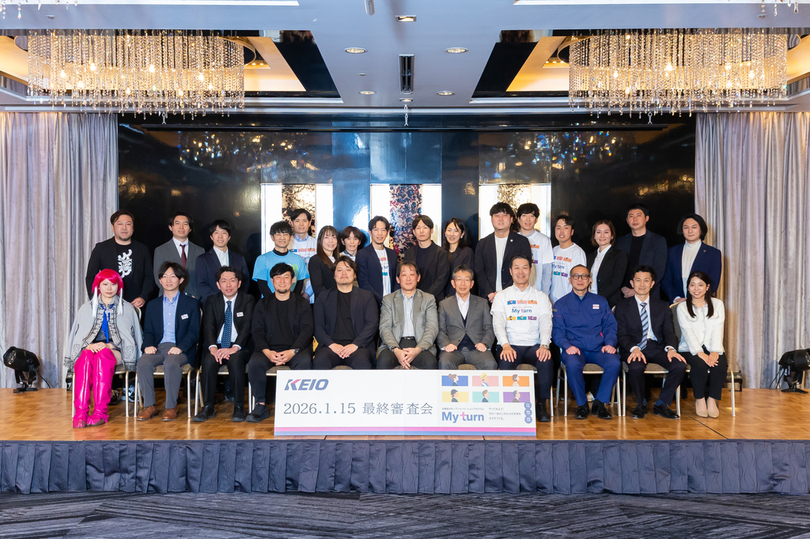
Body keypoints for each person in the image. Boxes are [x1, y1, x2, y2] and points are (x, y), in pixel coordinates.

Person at [64, 269, 143, 428]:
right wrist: (88, 345)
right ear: (98, 286)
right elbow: (78, 335)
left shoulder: (127, 308)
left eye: (113, 284)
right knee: (85, 357)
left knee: (103, 355)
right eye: (105, 284)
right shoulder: (86, 308)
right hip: (91, 349)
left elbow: (131, 337)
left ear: (119, 286)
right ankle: (81, 413)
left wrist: (108, 345)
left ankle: (100, 412)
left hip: (115, 350)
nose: (109, 288)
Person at [245, 263, 314, 423]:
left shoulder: (302, 303)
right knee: (255, 363)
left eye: (286, 277)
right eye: (278, 277)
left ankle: (298, 405)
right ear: (272, 281)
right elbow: (257, 330)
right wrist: (267, 352)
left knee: (304, 361)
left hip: (295, 349)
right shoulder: (263, 303)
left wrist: (292, 351)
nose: (282, 281)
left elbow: (307, 330)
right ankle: (260, 405)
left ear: (293, 280)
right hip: (269, 349)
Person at [615, 266, 686, 419]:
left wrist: (671, 349)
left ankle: (661, 404)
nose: (642, 284)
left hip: (657, 347)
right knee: (636, 367)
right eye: (638, 280)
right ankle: (640, 404)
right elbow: (621, 334)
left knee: (679, 365)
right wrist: (633, 348)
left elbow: (669, 332)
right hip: (633, 347)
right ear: (632, 283)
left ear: (652, 283)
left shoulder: (662, 305)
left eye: (646, 280)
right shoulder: (622, 306)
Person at [490, 254, 554, 422]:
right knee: (506, 360)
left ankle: (541, 405)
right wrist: (505, 345)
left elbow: (546, 323)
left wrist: (544, 345)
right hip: (510, 345)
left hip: (534, 345)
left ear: (530, 270)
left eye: (525, 268)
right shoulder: (502, 296)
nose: (521, 272)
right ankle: (511, 407)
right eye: (516, 268)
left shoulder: (541, 296)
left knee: (546, 360)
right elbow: (498, 324)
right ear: (510, 271)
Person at [552, 265, 621, 420]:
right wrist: (567, 346)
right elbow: (557, 332)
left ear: (590, 280)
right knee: (572, 364)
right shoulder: (561, 304)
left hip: (598, 349)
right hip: (575, 349)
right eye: (576, 276)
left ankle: (600, 403)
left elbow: (610, 326)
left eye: (584, 276)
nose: (580, 279)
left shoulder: (601, 301)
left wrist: (610, 343)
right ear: (570, 280)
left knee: (614, 362)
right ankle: (582, 404)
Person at [136, 262, 200, 421]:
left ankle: (171, 407)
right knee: (143, 362)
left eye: (173, 276)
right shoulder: (153, 305)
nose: (169, 280)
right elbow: (148, 331)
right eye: (164, 276)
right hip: (159, 347)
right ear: (160, 280)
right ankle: (149, 406)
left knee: (171, 363)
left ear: (181, 280)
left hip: (182, 348)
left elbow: (194, 331)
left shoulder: (191, 303)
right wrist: (148, 346)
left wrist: (181, 347)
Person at [193, 266, 256, 423]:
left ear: (239, 283)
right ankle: (208, 407)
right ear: (218, 284)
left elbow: (247, 327)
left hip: (240, 346)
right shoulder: (212, 300)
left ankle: (239, 408)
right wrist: (213, 347)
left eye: (232, 280)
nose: (228, 285)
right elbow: (208, 326)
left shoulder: (248, 300)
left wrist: (235, 347)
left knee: (235, 361)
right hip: (218, 345)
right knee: (208, 361)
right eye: (224, 281)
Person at [313, 257, 379, 369]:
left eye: (348, 270)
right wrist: (332, 345)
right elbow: (317, 326)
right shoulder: (323, 297)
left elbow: (372, 324)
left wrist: (355, 345)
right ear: (334, 276)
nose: (343, 273)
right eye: (339, 270)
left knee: (362, 362)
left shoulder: (367, 296)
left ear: (354, 275)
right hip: (331, 346)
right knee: (321, 360)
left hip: (359, 346)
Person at [677, 271, 727, 418]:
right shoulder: (682, 307)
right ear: (688, 287)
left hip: (712, 346)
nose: (696, 288)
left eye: (700, 285)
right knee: (699, 365)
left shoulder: (718, 304)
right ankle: (699, 400)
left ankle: (712, 400)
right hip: (690, 348)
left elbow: (718, 328)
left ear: (707, 287)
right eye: (692, 285)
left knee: (720, 364)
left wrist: (715, 351)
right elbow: (687, 332)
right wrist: (700, 353)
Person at [85, 210, 155, 308]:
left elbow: (149, 277)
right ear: (112, 227)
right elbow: (91, 277)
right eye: (120, 224)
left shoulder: (142, 250)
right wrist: (97, 300)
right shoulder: (101, 249)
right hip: (108, 304)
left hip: (135, 304)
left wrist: (143, 297)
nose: (124, 228)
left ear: (133, 227)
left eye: (128, 224)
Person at [377, 261, 439, 369]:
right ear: (398, 279)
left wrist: (417, 350)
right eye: (404, 275)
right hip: (395, 344)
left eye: (412, 274)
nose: (408, 278)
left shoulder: (428, 299)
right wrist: (396, 350)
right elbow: (384, 328)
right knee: (384, 361)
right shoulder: (388, 300)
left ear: (418, 277)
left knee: (430, 362)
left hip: (420, 344)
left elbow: (432, 328)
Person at [437, 265, 497, 370]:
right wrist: (446, 344)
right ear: (453, 283)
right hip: (453, 349)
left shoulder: (482, 303)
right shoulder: (444, 304)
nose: (463, 284)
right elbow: (441, 330)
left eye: (467, 280)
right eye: (459, 279)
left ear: (472, 284)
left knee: (490, 363)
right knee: (445, 362)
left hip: (477, 349)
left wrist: (484, 343)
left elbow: (489, 328)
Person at [475, 203, 532, 303]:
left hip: (515, 297)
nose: (500, 219)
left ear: (511, 219)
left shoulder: (522, 242)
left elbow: (524, 269)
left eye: (505, 215)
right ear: (491, 219)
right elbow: (479, 271)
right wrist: (489, 293)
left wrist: (504, 294)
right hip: (489, 298)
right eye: (497, 216)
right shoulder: (483, 243)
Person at [662, 214, 722, 303]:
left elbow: (713, 282)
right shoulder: (672, 252)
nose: (690, 231)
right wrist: (676, 298)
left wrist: (695, 299)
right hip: (677, 302)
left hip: (701, 303)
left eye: (694, 227)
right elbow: (666, 279)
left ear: (701, 229)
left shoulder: (713, 253)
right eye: (686, 227)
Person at [616, 203, 668, 299]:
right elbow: (617, 268)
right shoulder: (620, 242)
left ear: (646, 218)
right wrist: (622, 287)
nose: (635, 219)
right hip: (625, 293)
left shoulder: (658, 241)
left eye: (638, 215)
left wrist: (637, 290)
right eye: (631, 216)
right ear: (627, 220)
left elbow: (659, 270)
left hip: (649, 294)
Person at [195, 220, 250, 304]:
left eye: (224, 233)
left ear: (229, 237)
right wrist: (220, 300)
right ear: (211, 237)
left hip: (236, 305)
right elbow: (201, 285)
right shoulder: (202, 259)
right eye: (216, 233)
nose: (220, 236)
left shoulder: (239, 259)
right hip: (212, 305)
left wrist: (236, 299)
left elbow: (245, 282)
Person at [153, 212, 204, 300]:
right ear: (170, 227)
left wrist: (195, 296)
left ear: (190, 228)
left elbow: (202, 278)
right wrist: (173, 296)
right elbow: (158, 277)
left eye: (185, 224)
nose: (181, 227)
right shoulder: (160, 250)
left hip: (194, 298)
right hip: (169, 299)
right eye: (177, 223)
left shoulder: (200, 251)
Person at [253, 220, 308, 298]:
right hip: (269, 302)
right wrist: (274, 302)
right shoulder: (262, 259)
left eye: (285, 234)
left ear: (290, 237)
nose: (282, 238)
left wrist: (291, 301)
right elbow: (262, 286)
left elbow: (299, 284)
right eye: (278, 234)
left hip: (292, 302)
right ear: (272, 237)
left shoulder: (299, 260)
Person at [404, 215, 450, 303]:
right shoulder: (409, 253)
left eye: (425, 227)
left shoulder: (441, 253)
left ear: (431, 230)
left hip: (434, 300)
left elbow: (442, 279)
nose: (421, 231)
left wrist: (425, 297)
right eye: (418, 228)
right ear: (414, 232)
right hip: (412, 300)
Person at [356, 216, 399, 305]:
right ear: (370, 232)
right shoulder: (362, 254)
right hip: (372, 303)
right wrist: (380, 300)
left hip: (392, 303)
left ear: (387, 233)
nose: (380, 233)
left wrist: (393, 299)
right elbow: (363, 282)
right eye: (376, 230)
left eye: (383, 230)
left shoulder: (392, 254)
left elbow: (397, 278)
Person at [586, 219, 628, 309]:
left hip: (609, 303)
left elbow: (616, 282)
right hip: (590, 301)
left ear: (612, 235)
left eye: (606, 232)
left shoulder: (619, 255)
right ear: (594, 236)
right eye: (598, 232)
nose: (602, 235)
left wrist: (598, 298)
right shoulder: (590, 256)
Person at [516, 203, 554, 296]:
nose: (528, 219)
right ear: (518, 219)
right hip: (516, 292)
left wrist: (544, 294)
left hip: (537, 292)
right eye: (524, 215)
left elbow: (547, 271)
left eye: (531, 216)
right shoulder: (513, 239)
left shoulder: (544, 240)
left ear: (536, 219)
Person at [549, 215, 587, 304]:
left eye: (566, 228)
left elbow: (580, 280)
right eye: (558, 228)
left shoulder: (577, 252)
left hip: (570, 301)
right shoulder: (553, 250)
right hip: (553, 301)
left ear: (572, 232)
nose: (561, 231)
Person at [289, 209, 318, 303]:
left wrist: (308, 293)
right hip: (291, 292)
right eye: (297, 221)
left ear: (309, 223)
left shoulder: (317, 244)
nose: (301, 224)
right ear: (292, 223)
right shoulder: (286, 243)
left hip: (313, 292)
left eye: (304, 221)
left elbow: (319, 272)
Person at [442, 218, 475, 298]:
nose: (452, 234)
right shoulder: (440, 252)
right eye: (449, 230)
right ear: (445, 232)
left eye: (456, 231)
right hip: (441, 297)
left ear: (462, 234)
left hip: (458, 296)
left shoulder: (467, 252)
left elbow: (467, 277)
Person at [308, 226, 341, 300]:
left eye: (333, 237)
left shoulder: (340, 260)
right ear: (320, 240)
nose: (331, 241)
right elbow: (318, 288)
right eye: (326, 237)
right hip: (325, 303)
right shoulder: (315, 260)